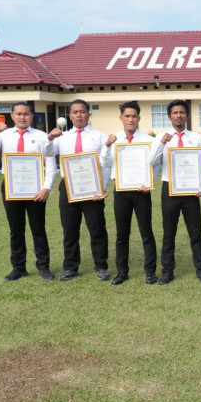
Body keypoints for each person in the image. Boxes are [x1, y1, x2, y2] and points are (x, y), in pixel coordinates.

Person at [0, 102, 57, 281]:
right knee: (16, 229)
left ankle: (43, 266)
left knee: (38, 228)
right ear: (12, 116)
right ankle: (18, 267)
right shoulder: (3, 136)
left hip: (36, 189)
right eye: (18, 114)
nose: (22, 117)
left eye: (26, 114)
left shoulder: (42, 136)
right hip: (11, 188)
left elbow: (50, 164)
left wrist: (46, 188)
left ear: (31, 116)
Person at [149, 99, 201, 285]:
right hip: (170, 188)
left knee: (195, 232)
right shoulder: (161, 136)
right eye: (175, 113)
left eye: (182, 112)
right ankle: (167, 271)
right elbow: (151, 161)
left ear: (187, 115)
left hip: (191, 190)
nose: (179, 116)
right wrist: (161, 143)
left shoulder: (196, 137)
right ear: (169, 116)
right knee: (169, 232)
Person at [50, 99, 111, 281]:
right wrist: (50, 138)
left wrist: (102, 189)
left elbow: (106, 165)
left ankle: (101, 266)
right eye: (75, 112)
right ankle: (70, 267)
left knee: (97, 228)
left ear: (88, 114)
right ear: (70, 116)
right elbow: (46, 153)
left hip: (93, 189)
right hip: (68, 187)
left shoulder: (100, 137)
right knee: (70, 229)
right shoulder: (62, 138)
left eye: (83, 112)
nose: (79, 115)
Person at [100, 101, 157, 285]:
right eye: (127, 116)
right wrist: (107, 146)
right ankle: (122, 272)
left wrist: (148, 182)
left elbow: (156, 164)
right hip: (121, 191)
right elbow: (105, 164)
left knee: (146, 232)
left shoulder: (148, 141)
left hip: (142, 192)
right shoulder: (113, 139)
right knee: (122, 234)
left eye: (134, 116)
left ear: (139, 118)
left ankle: (150, 271)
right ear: (121, 118)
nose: (130, 119)